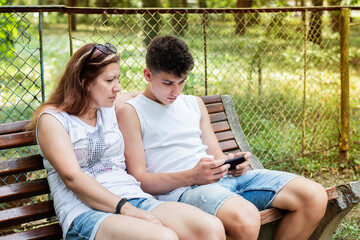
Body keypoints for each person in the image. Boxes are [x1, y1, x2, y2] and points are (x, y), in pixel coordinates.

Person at [116, 35, 329, 240]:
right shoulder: (132, 112)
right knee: (246, 219)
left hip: (225, 182)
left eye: (182, 82)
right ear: (147, 75)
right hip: (186, 191)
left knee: (314, 196)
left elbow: (216, 156)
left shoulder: (194, 103)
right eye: (168, 83)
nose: (176, 91)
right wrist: (193, 176)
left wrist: (232, 166)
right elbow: (140, 180)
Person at [27, 43, 226, 240]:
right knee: (163, 238)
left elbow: (150, 95)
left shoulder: (109, 105)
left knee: (210, 228)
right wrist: (125, 208)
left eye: (118, 78)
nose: (118, 87)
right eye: (109, 80)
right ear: (84, 82)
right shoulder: (53, 121)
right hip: (86, 213)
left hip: (135, 198)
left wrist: (172, 89)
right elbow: (73, 178)